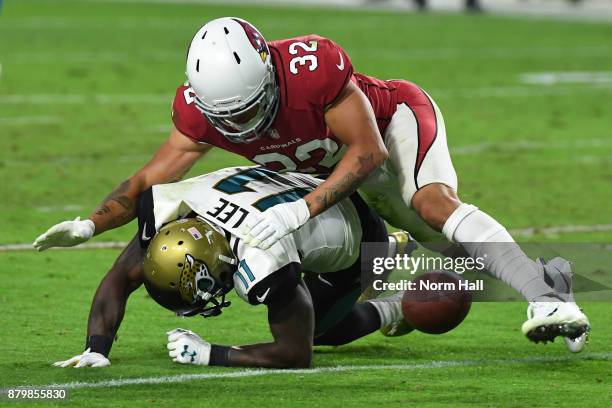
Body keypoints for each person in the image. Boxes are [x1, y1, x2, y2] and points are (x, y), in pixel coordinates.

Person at [34, 17, 589, 350]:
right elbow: (147, 180)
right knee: (451, 251)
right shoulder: (201, 113)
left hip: (389, 124)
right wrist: (90, 222)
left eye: (251, 109)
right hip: (332, 169)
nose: (243, 126)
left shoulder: (311, 66)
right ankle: (552, 279)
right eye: (229, 117)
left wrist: (298, 212)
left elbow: (368, 152)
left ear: (268, 71)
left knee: (432, 202)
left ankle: (542, 299)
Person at [53, 167, 413, 368]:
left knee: (318, 331)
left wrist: (213, 354)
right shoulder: (177, 216)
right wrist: (96, 348)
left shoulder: (263, 257)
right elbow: (120, 276)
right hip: (301, 186)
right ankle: (387, 261)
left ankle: (395, 303)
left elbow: (295, 352)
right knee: (303, 297)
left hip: (358, 230)